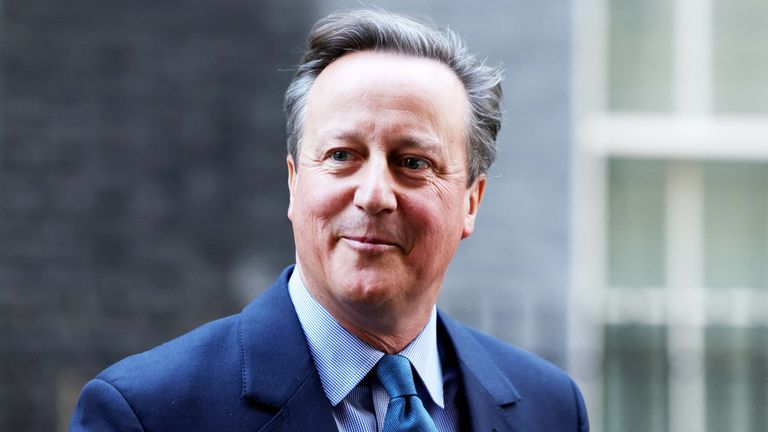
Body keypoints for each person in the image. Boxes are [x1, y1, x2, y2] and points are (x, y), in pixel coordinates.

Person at [71, 9, 589, 432]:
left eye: (413, 163)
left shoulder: (551, 409)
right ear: (295, 182)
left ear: (471, 202)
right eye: (342, 155)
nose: (374, 195)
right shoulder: (148, 413)